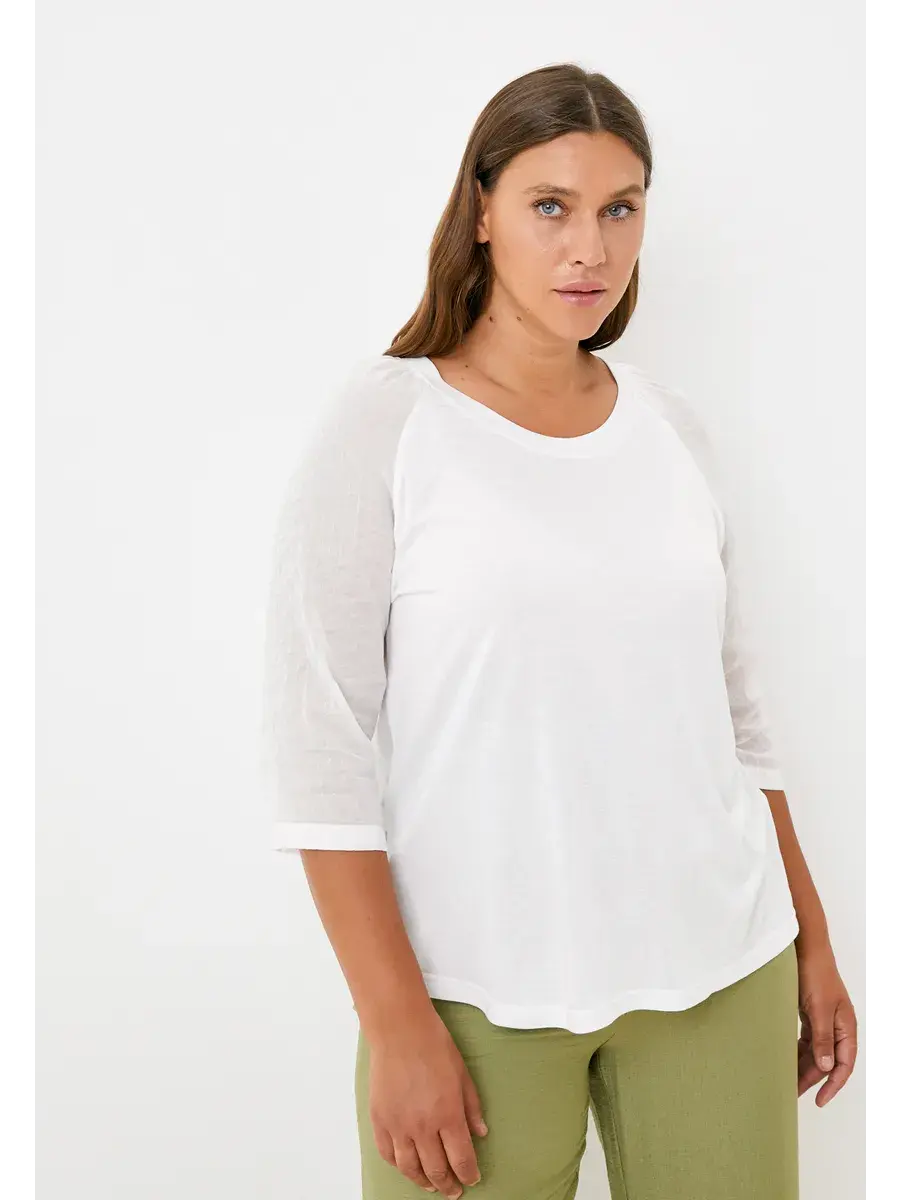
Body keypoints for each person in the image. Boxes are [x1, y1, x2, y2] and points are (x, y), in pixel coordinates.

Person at [261, 61, 858, 1200]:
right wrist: (395, 1024)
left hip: (721, 968)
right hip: (475, 993)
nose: (591, 248)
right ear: (481, 209)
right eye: (552, 205)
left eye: (620, 208)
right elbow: (317, 745)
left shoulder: (672, 433)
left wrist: (812, 943)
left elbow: (737, 722)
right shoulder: (389, 424)